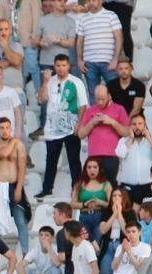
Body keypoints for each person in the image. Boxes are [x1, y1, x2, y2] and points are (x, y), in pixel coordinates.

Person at [36, 54, 88, 197]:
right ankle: (47, 188)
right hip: (52, 129)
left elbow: (83, 105)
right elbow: (41, 99)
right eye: (58, 65)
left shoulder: (76, 82)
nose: (61, 68)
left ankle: (76, 190)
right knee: (51, 160)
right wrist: (45, 82)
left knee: (74, 161)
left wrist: (79, 124)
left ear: (68, 66)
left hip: (71, 127)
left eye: (63, 65)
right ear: (54, 66)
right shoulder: (50, 81)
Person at [0, 117, 30, 255]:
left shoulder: (19, 145)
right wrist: (15, 141)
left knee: (21, 222)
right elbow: (4, 153)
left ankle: (25, 254)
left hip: (14, 185)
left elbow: (22, 168)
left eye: (7, 127)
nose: (5, 131)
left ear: (11, 128)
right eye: (2, 128)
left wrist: (18, 189)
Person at [78, 84, 130, 183]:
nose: (100, 102)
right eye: (97, 99)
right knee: (93, 185)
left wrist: (112, 122)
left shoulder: (119, 109)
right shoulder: (90, 111)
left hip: (111, 155)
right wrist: (92, 123)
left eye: (102, 99)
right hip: (93, 156)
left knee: (110, 184)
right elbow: (81, 134)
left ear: (109, 96)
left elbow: (126, 132)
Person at [74, 0, 122, 98]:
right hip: (89, 63)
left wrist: (115, 59)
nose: (91, 2)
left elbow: (119, 37)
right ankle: (95, 114)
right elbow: (79, 40)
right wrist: (79, 60)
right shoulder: (83, 18)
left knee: (115, 93)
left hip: (108, 62)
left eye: (94, 0)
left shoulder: (111, 15)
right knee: (93, 95)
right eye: (89, 0)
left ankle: (114, 114)